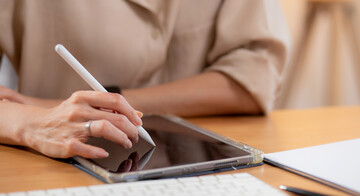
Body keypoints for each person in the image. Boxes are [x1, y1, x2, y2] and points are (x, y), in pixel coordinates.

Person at [0, 0, 290, 159]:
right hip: (58, 166)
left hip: (195, 166)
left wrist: (109, 106)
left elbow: (254, 80)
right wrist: (31, 122)